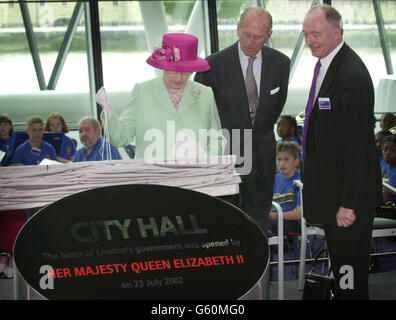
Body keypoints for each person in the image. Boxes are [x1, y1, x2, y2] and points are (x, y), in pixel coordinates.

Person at [301, 4, 382, 299]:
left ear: (338, 33)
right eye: (306, 34)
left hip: (348, 204)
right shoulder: (327, 64)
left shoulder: (352, 76)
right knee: (343, 271)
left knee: (349, 276)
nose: (310, 40)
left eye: (316, 34)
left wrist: (349, 203)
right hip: (335, 197)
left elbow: (359, 147)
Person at [194, 7, 290, 233]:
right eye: (247, 34)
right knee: (224, 225)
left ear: (268, 36)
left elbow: (275, 108)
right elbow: (203, 116)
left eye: (258, 37)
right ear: (237, 29)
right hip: (226, 155)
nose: (251, 41)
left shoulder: (281, 64)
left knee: (257, 228)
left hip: (263, 159)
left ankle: (258, 268)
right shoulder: (212, 65)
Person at [103, 33, 223, 160]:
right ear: (163, 66)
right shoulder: (142, 92)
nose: (179, 77)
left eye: (186, 71)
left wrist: (205, 160)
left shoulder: (205, 94)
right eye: (174, 70)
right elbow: (121, 138)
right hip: (152, 177)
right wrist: (109, 114)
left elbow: (217, 139)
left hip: (194, 177)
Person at [268, 142, 301, 236]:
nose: (282, 163)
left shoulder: (300, 181)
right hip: (275, 219)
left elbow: (300, 213)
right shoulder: (274, 178)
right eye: (279, 159)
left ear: (296, 161)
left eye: (286, 159)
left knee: (266, 226)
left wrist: (276, 216)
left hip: (293, 223)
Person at [382, 135, 396, 203]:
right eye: (385, 149)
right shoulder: (384, 165)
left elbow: (384, 198)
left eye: (392, 150)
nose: (387, 153)